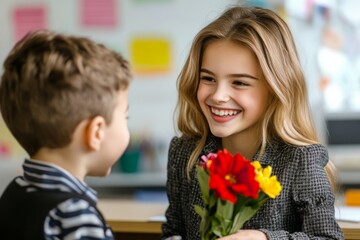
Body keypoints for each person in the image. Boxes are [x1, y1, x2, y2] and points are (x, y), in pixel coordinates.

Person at [161, 6, 344, 240]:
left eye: (239, 83)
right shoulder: (185, 153)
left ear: (275, 89)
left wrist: (264, 238)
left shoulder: (301, 160)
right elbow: (174, 232)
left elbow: (328, 238)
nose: (218, 95)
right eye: (208, 78)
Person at [0, 30, 132, 239]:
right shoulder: (74, 214)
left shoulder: (14, 192)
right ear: (96, 132)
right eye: (126, 117)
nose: (127, 125)